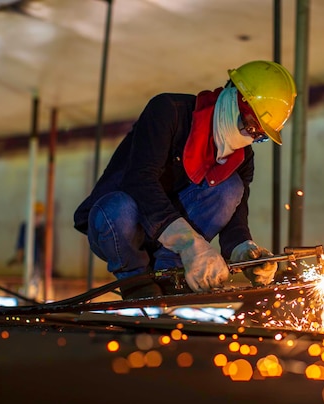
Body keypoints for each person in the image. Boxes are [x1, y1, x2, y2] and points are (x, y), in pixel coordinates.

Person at [74, 60, 297, 299]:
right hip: (119, 227)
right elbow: (139, 181)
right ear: (234, 96)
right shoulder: (168, 111)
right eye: (250, 125)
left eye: (259, 135)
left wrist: (246, 251)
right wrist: (190, 244)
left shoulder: (242, 157)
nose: (249, 137)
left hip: (171, 241)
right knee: (118, 207)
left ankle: (171, 273)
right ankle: (135, 279)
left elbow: (236, 214)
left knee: (232, 188)